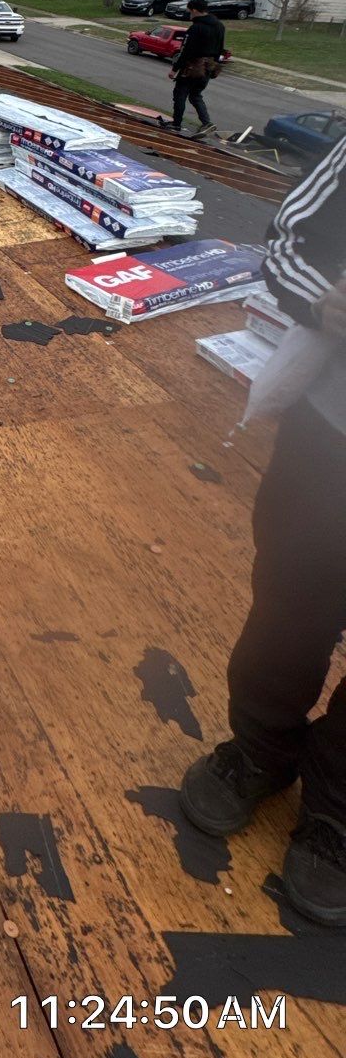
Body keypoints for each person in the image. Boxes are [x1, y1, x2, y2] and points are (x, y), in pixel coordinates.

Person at [179, 133, 346, 924]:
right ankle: (261, 749)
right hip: (333, 439)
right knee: (289, 607)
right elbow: (288, 240)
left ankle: (338, 810)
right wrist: (325, 299)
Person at [157, 0, 225, 136]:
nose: (190, 14)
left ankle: (176, 124)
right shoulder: (219, 26)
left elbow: (186, 50)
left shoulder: (196, 28)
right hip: (208, 66)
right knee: (195, 95)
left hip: (193, 67)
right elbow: (220, 48)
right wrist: (215, 66)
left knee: (180, 94)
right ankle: (206, 122)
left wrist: (175, 69)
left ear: (195, 10)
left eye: (190, 11)